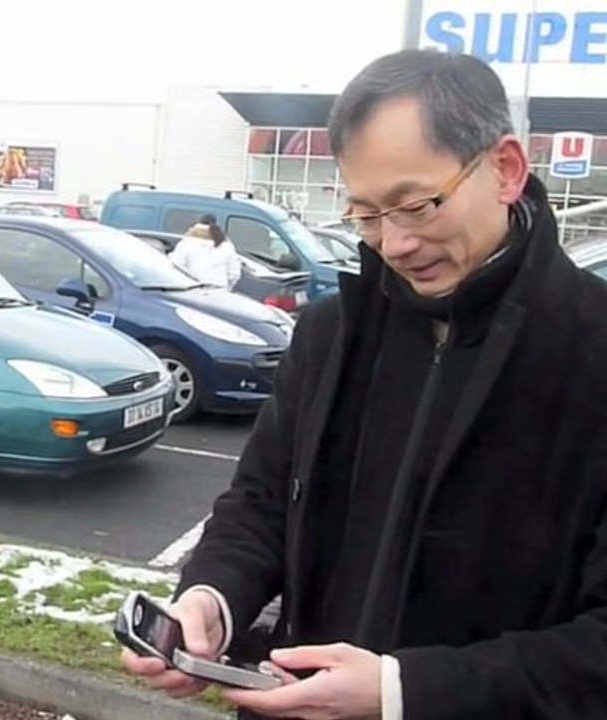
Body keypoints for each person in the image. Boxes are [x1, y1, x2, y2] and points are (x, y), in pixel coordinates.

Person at [122, 48, 607, 720]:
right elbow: (261, 504)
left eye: (416, 206)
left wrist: (401, 692)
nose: (395, 244)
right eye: (367, 215)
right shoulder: (332, 334)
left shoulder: (592, 351)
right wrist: (212, 598)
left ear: (505, 169)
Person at [169, 213, 242, 290]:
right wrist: (228, 287)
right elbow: (234, 273)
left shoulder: (187, 242)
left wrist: (186, 281)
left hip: (194, 288)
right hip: (219, 289)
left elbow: (176, 265)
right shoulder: (226, 246)